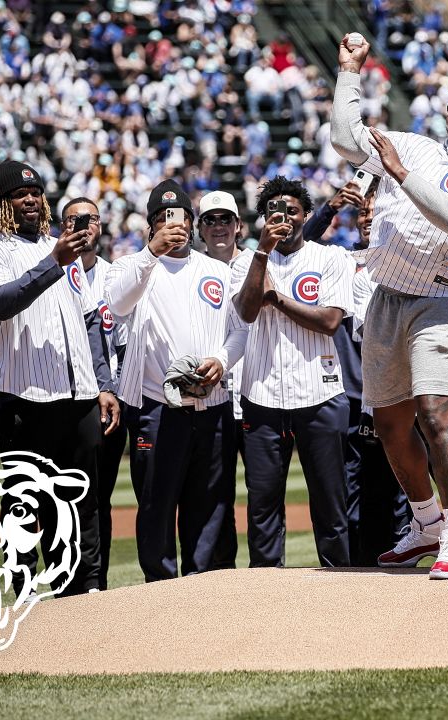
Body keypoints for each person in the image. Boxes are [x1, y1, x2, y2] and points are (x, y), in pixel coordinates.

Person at [331, 34, 448, 579]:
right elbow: (346, 140)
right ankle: (426, 524)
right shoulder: (415, 146)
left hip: (443, 301)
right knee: (389, 426)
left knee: (437, 414)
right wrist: (349, 72)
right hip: (388, 296)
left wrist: (400, 174)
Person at [0, 159, 117, 597]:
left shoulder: (61, 247)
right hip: (23, 393)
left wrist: (103, 384)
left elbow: (90, 321)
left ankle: (82, 582)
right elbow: (0, 304)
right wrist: (54, 261)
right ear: (2, 201)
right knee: (23, 497)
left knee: (80, 496)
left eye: (36, 192)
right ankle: (23, 583)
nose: (31, 199)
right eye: (20, 193)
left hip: (78, 393)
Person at [105, 180, 241, 582]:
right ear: (150, 225)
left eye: (180, 216)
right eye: (163, 218)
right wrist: (151, 253)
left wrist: (222, 358)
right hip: (157, 407)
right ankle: (159, 590)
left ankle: (199, 588)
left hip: (212, 405)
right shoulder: (131, 265)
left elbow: (241, 329)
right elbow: (117, 304)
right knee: (156, 504)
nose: (173, 225)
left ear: (191, 221)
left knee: (209, 504)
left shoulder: (217, 269)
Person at [231, 177, 355, 568]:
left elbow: (331, 321)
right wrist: (262, 254)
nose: (283, 218)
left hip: (320, 394)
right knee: (263, 505)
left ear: (305, 215)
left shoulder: (330, 258)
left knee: (330, 504)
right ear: (263, 218)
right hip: (262, 395)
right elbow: (248, 310)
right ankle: (267, 590)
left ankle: (339, 583)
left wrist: (278, 298)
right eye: (274, 211)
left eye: (292, 211)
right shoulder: (245, 261)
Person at [65, 197, 128, 589]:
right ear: (62, 225)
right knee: (64, 498)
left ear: (101, 227)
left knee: (99, 499)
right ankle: (66, 583)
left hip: (109, 403)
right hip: (65, 402)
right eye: (75, 219)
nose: (84, 226)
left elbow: (123, 342)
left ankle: (96, 585)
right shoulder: (53, 272)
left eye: (90, 219)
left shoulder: (114, 276)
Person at [195, 189, 245, 570]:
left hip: (259, 393)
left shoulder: (261, 263)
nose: (218, 227)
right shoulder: (190, 268)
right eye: (209, 220)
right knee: (215, 492)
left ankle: (268, 573)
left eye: (225, 219)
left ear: (238, 225)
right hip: (213, 398)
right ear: (199, 228)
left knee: (264, 495)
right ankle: (220, 576)